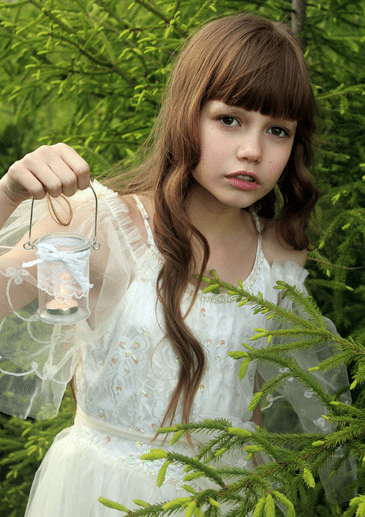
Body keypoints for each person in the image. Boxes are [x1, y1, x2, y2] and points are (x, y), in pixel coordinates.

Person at [0, 12, 353, 517]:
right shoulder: (104, 229)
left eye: (278, 130)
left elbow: (251, 406)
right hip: (99, 495)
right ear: (188, 113)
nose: (252, 150)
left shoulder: (278, 256)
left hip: (223, 499)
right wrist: (8, 194)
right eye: (230, 119)